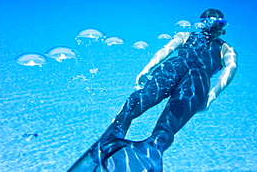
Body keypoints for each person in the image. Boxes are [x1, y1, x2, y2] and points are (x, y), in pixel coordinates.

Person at [67, 9, 238, 172]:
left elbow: (167, 49)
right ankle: (150, 147)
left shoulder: (198, 40)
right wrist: (212, 95)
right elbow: (230, 68)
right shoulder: (222, 48)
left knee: (145, 103)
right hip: (194, 79)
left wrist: (148, 68)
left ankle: (122, 134)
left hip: (181, 72)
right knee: (153, 110)